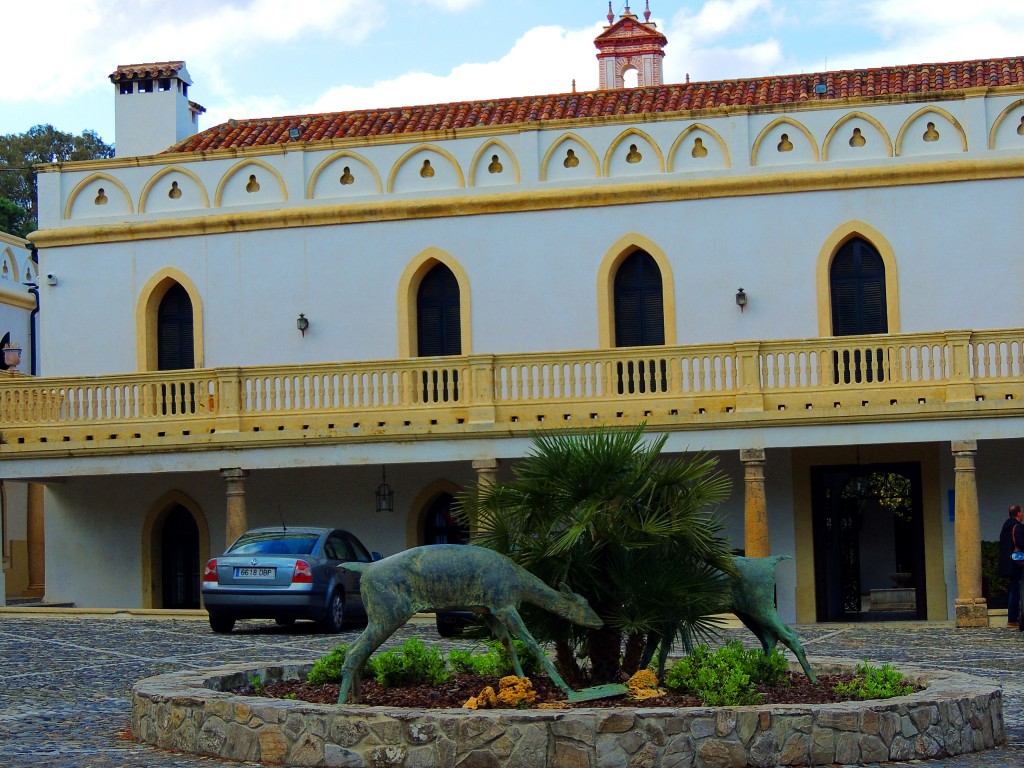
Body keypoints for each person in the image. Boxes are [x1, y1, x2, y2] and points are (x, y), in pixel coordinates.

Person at [997, 504, 1024, 628]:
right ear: (1018, 513)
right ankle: (1013, 619)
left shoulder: (1005, 527)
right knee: (1016, 591)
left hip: (1009, 564)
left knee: (1013, 590)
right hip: (1018, 564)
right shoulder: (1017, 527)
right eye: (1021, 512)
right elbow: (1021, 543)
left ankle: (1012, 619)